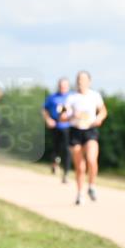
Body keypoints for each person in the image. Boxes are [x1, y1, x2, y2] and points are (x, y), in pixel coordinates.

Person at [62, 71, 107, 205]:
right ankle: (80, 193)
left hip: (90, 130)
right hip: (75, 131)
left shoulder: (95, 96)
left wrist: (99, 118)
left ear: (89, 81)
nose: (81, 82)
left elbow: (103, 111)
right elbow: (62, 116)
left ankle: (91, 186)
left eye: (84, 79)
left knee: (92, 159)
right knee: (80, 167)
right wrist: (70, 115)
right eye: (79, 79)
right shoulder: (71, 98)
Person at [42, 78, 72, 182]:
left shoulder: (72, 96)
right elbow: (44, 109)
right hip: (55, 126)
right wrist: (48, 119)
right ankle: (55, 163)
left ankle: (66, 173)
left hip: (68, 127)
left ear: (68, 86)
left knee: (67, 149)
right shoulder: (52, 97)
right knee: (56, 148)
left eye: (64, 86)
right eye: (61, 85)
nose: (62, 87)